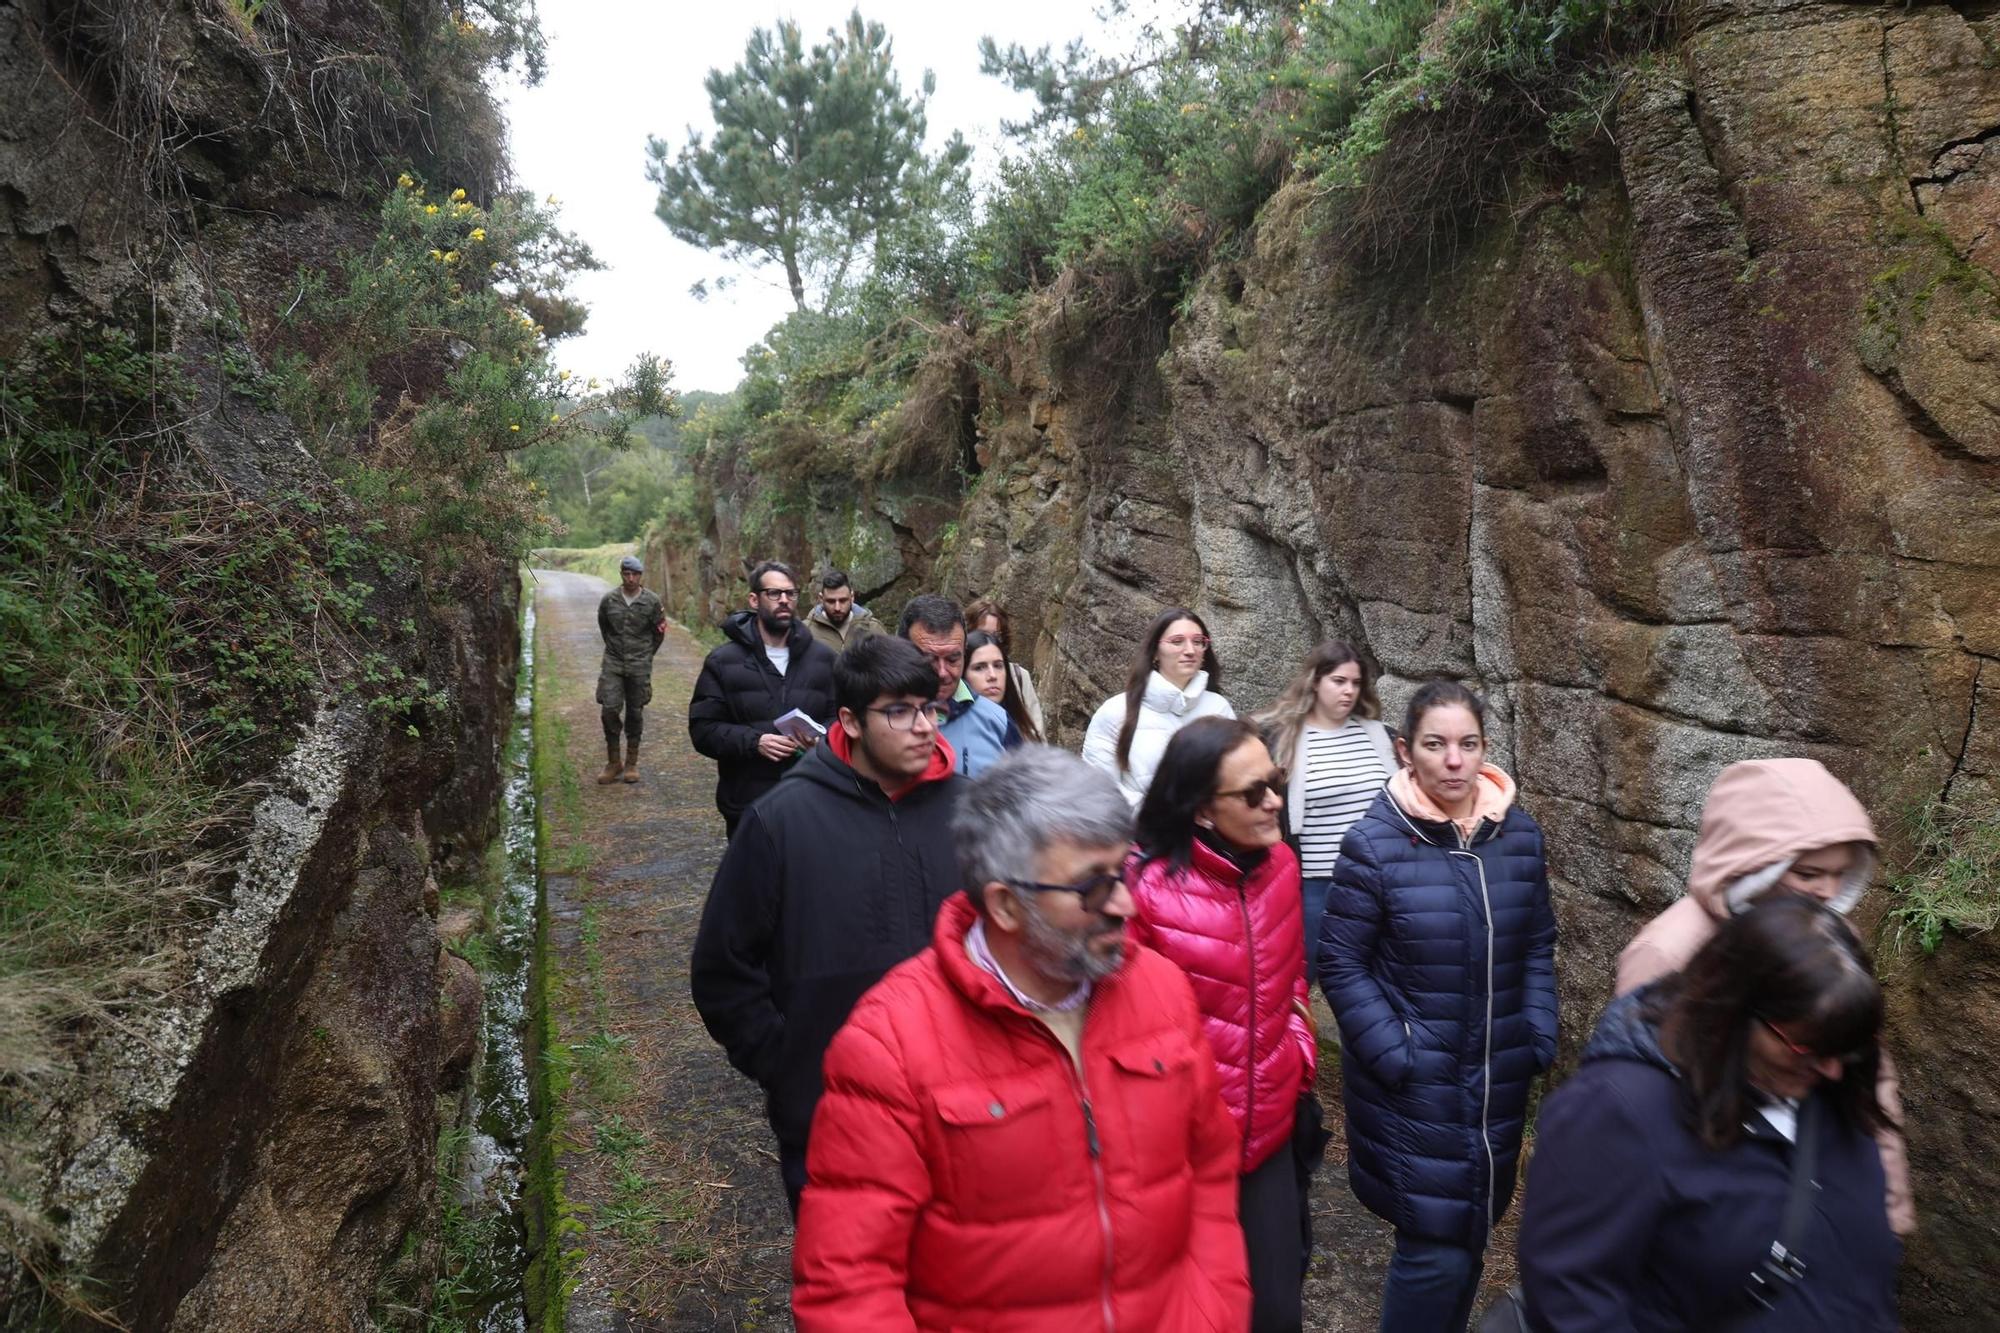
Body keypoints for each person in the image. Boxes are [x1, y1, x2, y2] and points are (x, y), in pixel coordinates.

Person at [791, 746, 1252, 1331]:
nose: (1125, 903)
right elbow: (848, 1282)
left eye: (1123, 872)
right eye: (1091, 887)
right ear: (1007, 905)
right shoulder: (891, 1044)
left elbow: (1209, 1170)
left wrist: (1211, 1317)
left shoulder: (1160, 990)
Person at [1516, 894, 1901, 1330]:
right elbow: (1572, 1300)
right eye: (1806, 1048)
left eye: (1845, 1049)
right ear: (1733, 1011)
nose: (1832, 1069)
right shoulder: (1618, 1111)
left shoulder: (1830, 1089)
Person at [690, 634, 964, 1216]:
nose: (923, 726)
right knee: (846, 1285)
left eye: (930, 708)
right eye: (899, 711)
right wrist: (789, 1066)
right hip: (832, 1111)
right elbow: (724, 969)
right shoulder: (781, 821)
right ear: (850, 720)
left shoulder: (973, 814)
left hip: (961, 1106)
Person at [1316, 679, 1558, 1333]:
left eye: (1468, 743)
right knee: (1435, 1249)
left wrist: (1537, 1029)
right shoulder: (1374, 844)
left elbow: (1537, 942)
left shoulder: (1520, 837)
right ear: (1405, 751)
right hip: (1418, 1088)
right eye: (1435, 743)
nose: (1454, 759)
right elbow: (1340, 960)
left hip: (1496, 1082)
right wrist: (1395, 1049)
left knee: (1472, 1231)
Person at [1614, 756, 1913, 1236]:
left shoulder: (1833, 941)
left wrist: (1886, 1205)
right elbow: (1639, 1102)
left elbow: (1870, 1079)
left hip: (1817, 1192)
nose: (1827, 891)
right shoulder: (1668, 953)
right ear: (1755, 866)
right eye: (1810, 873)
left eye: (1840, 874)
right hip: (1714, 1214)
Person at [1128, 716, 1317, 1333]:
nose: (1275, 802)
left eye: (1276, 782)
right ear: (1204, 812)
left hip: (1267, 1135)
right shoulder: (1144, 891)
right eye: (1253, 792)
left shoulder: (1282, 866)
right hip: (1179, 1149)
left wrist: (1299, 1056)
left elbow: (1292, 977)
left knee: (1277, 1312)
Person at [1253, 640, 1397, 971]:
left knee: (1378, 974)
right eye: (1339, 681)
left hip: (1380, 879)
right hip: (1317, 883)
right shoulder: (1280, 740)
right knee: (1305, 973)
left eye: (1356, 683)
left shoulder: (1382, 737)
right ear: (1316, 681)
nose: (1348, 691)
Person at [686, 560, 838, 837]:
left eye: (790, 594)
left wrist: (822, 738)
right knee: (754, 880)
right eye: (774, 593)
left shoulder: (824, 659)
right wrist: (755, 742)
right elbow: (703, 729)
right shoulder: (723, 661)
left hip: (813, 800)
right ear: (754, 600)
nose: (784, 601)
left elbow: (843, 719)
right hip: (749, 804)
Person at [1082, 607, 1235, 807]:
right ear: (1155, 651)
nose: (1190, 650)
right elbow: (1099, 789)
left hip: (1212, 832)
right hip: (1140, 834)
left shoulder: (1219, 708)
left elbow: (1237, 777)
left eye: (1198, 642)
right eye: (1177, 641)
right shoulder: (1115, 711)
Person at [898, 594, 1012, 779]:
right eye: (929, 660)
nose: (942, 672)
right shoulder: (874, 720)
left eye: (953, 659)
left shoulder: (997, 721)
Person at [593, 555, 666, 785]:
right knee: (609, 709)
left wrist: (645, 655)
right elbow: (604, 628)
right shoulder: (609, 601)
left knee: (635, 712)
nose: (631, 578)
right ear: (621, 574)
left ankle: (631, 762)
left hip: (639, 664)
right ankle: (614, 762)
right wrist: (617, 650)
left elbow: (659, 632)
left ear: (641, 576)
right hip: (613, 662)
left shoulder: (652, 602)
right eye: (627, 574)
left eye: (635, 574)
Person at [967, 596, 1044, 736]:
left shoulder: (1019, 676)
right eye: (983, 634)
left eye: (997, 635)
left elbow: (1036, 729)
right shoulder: (957, 681)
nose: (992, 675)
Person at [965, 629, 1040, 744]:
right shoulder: (950, 728)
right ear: (963, 674)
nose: (992, 675)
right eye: (979, 667)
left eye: (998, 666)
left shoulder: (1022, 727)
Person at [805, 567, 881, 652]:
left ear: (852, 597)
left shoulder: (873, 629)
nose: (837, 608)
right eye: (831, 601)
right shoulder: (806, 632)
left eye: (843, 601)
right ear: (821, 599)